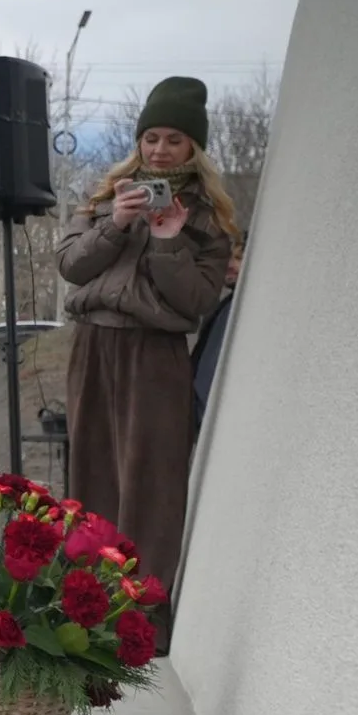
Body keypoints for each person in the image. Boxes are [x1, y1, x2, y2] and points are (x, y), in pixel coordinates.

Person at [56, 76, 240, 655]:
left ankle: (142, 626)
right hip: (93, 346)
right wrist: (116, 222)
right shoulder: (104, 197)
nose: (160, 150)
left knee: (152, 484)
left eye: (174, 139)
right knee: (91, 475)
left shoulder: (207, 219)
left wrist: (168, 240)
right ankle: (87, 613)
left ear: (194, 148)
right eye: (152, 137)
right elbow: (72, 266)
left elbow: (197, 301)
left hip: (155, 355)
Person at [192, 234, 247, 435]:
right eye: (226, 258)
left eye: (238, 258)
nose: (229, 265)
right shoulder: (226, 306)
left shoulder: (236, 308)